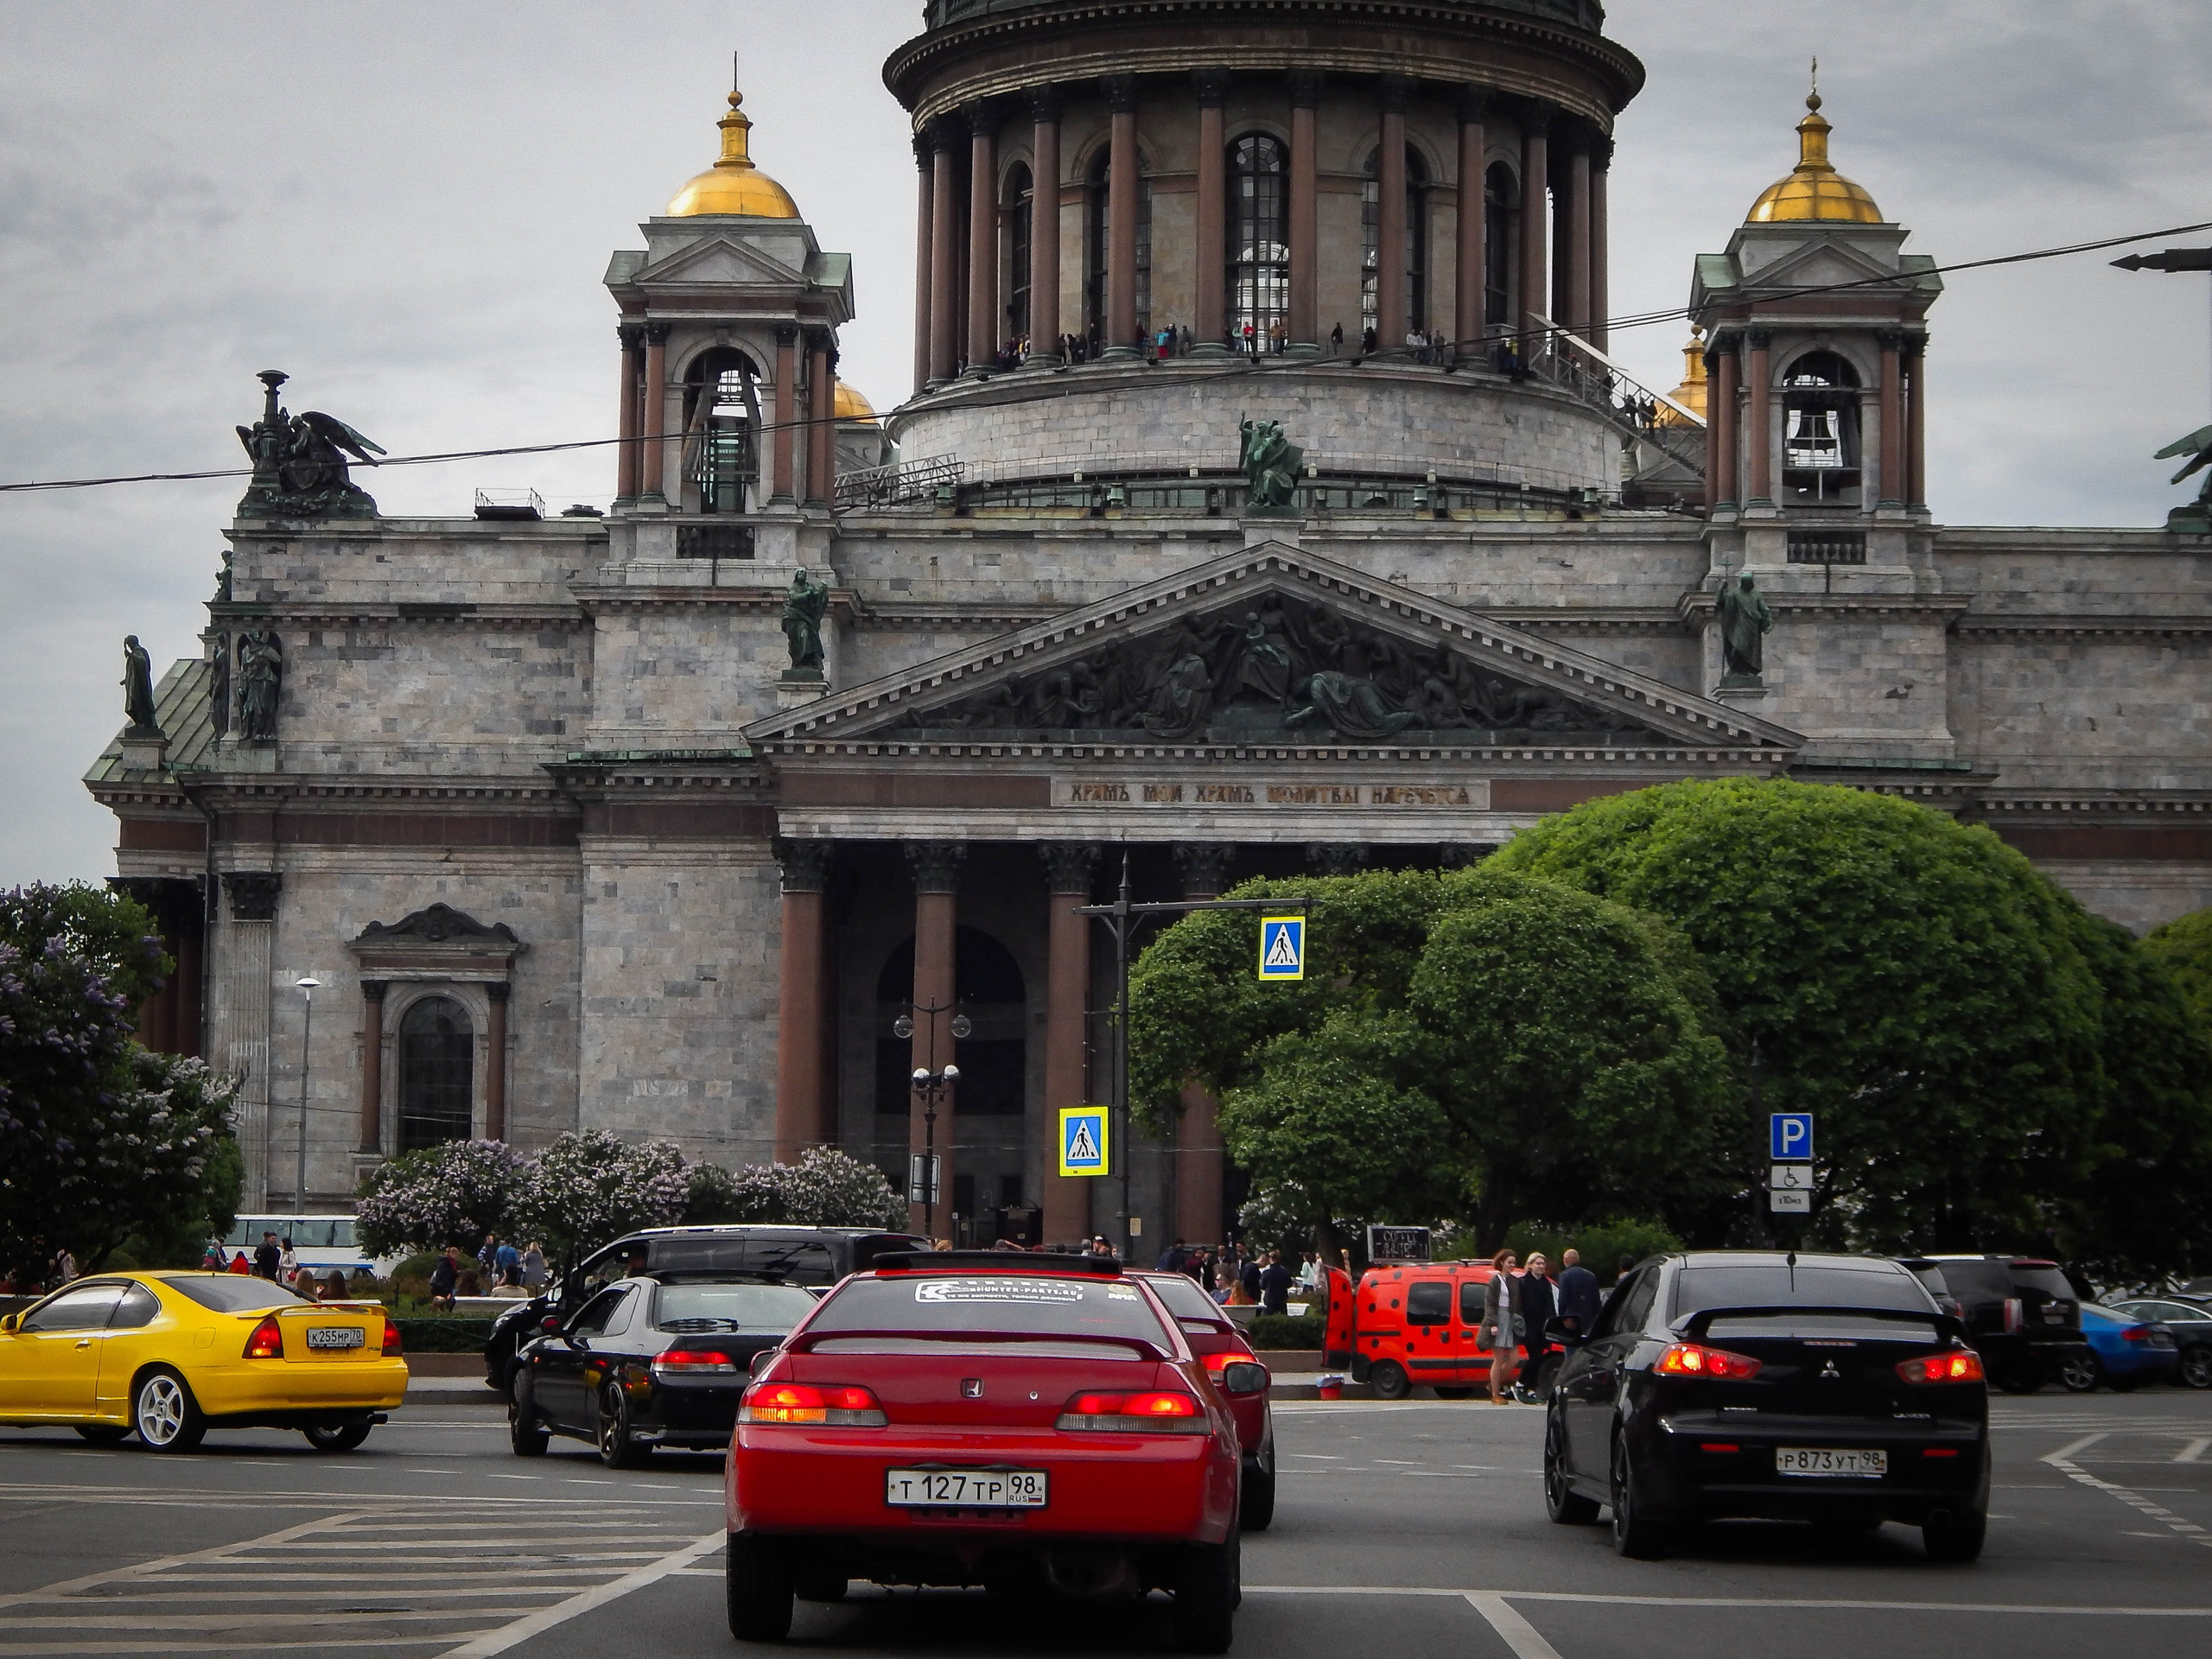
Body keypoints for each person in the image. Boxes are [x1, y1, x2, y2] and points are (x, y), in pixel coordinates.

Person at [1480, 1249, 1522, 1404]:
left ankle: (1493, 1385)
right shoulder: (1494, 1281)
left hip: (1510, 1319)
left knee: (1514, 1358)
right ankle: (1496, 1394)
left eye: (1514, 1263)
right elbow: (1489, 1304)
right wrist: (1492, 1324)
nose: (1512, 1265)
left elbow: (1517, 1302)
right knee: (1498, 1358)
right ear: (1502, 1262)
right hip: (1498, 1319)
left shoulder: (1513, 1280)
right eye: (1510, 1262)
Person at [1517, 1252, 1558, 1402]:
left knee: (1540, 1358)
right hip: (1529, 1325)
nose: (1541, 1266)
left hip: (1543, 1326)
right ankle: (1521, 1383)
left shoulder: (1545, 1283)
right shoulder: (1523, 1282)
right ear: (1530, 1265)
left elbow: (1550, 1304)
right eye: (1538, 1263)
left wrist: (1552, 1321)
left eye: (1542, 1264)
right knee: (1535, 1357)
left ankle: (1531, 1388)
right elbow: (1518, 1305)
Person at [1555, 1248, 1599, 1346]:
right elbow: (1597, 1301)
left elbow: (1563, 1299)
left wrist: (1562, 1317)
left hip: (1572, 1320)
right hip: (1589, 1321)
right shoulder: (1591, 1276)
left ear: (1566, 1260)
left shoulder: (1565, 1276)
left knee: (1571, 1350)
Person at [1258, 1249, 1293, 1316]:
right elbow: (1289, 1284)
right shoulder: (1285, 1272)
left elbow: (1262, 1286)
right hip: (1282, 1298)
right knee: (1283, 1318)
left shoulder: (1266, 1273)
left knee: (1268, 1317)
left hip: (1269, 1298)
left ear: (1271, 1259)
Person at [428, 1245, 461, 1312]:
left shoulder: (450, 1262)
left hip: (446, 1285)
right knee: (442, 1300)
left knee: (446, 1299)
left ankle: (440, 1311)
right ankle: (437, 1311)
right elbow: (446, 1274)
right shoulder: (446, 1262)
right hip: (443, 1286)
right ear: (452, 1254)